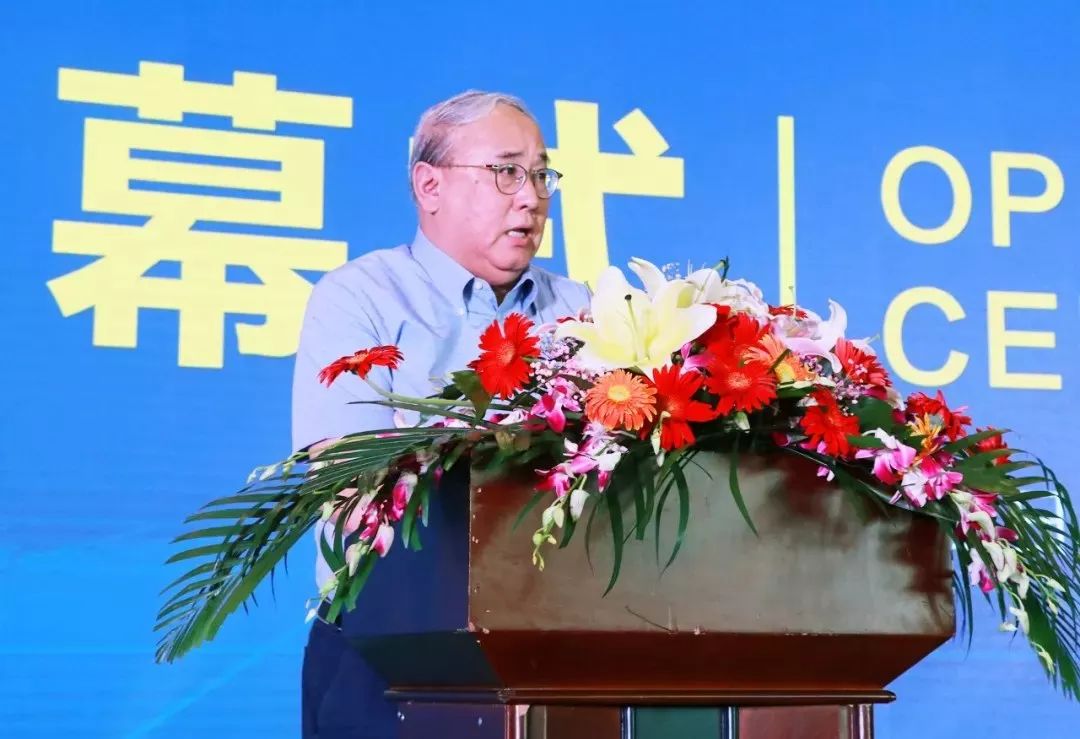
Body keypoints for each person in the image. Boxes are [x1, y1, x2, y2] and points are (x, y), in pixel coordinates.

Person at [291, 90, 592, 739]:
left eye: (542, 175)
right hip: (388, 649)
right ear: (430, 185)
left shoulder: (580, 310)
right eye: (506, 171)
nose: (531, 197)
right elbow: (351, 482)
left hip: (556, 650)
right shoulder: (361, 298)